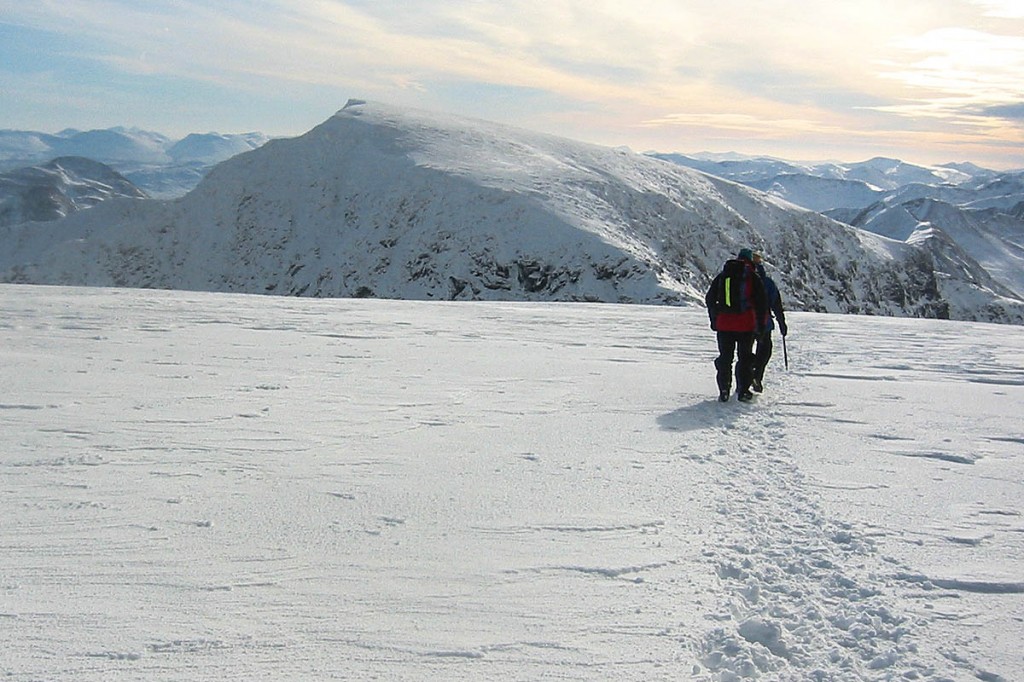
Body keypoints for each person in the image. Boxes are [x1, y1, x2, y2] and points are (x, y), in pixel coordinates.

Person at [705, 248, 768, 402]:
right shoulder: (752, 277)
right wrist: (760, 327)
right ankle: (743, 391)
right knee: (745, 358)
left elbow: (710, 298)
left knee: (725, 358)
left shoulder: (723, 275)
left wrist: (715, 319)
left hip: (724, 324)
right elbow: (762, 303)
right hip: (746, 325)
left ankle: (724, 390)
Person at [751, 252, 788, 393]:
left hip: (742, 322)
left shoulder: (739, 279)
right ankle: (757, 375)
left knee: (745, 351)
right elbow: (776, 305)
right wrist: (782, 323)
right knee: (765, 350)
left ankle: (745, 378)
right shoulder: (766, 282)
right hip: (763, 322)